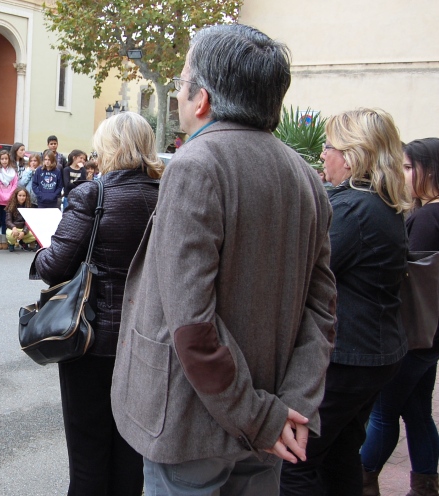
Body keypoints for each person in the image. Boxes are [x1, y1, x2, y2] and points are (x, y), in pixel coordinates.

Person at [110, 24, 338, 496]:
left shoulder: (196, 165)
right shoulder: (306, 176)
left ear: (204, 99)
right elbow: (322, 314)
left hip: (197, 425)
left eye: (183, 77)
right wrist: (286, 408)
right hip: (268, 422)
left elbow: (192, 325)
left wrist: (261, 416)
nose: (177, 89)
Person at [279, 109, 411, 495]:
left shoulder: (355, 208)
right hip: (374, 352)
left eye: (329, 146)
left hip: (349, 356)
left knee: (295, 463)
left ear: (352, 156)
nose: (322, 154)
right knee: (339, 455)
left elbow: (301, 274)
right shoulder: (380, 202)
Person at [33, 112, 162, 495]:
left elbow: (53, 266)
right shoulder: (168, 193)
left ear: (109, 148)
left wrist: (44, 248)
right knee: (130, 456)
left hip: (94, 341)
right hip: (147, 343)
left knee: (88, 456)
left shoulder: (92, 193)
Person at [360, 137, 439, 496]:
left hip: (411, 333)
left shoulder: (427, 217)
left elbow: (413, 280)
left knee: (383, 413)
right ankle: (425, 485)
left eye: (409, 168)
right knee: (419, 413)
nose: (404, 176)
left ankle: (361, 479)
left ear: (430, 171)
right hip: (430, 336)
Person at [0, 150, 18, 246]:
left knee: (5, 220)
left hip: (9, 201)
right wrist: (1, 195)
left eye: (6, 159)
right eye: (2, 159)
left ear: (9, 159)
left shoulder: (13, 172)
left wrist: (9, 196)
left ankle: (4, 240)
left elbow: (15, 185)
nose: (4, 161)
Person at [5, 187, 36, 252]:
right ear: (16, 196)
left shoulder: (30, 206)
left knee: (36, 235)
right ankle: (11, 243)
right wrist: (13, 227)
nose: (22, 198)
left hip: (24, 229)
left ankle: (22, 241)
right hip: (14, 228)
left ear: (26, 196)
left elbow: (29, 221)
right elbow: (8, 221)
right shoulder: (10, 206)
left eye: (24, 196)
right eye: (20, 195)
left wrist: (24, 232)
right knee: (10, 235)